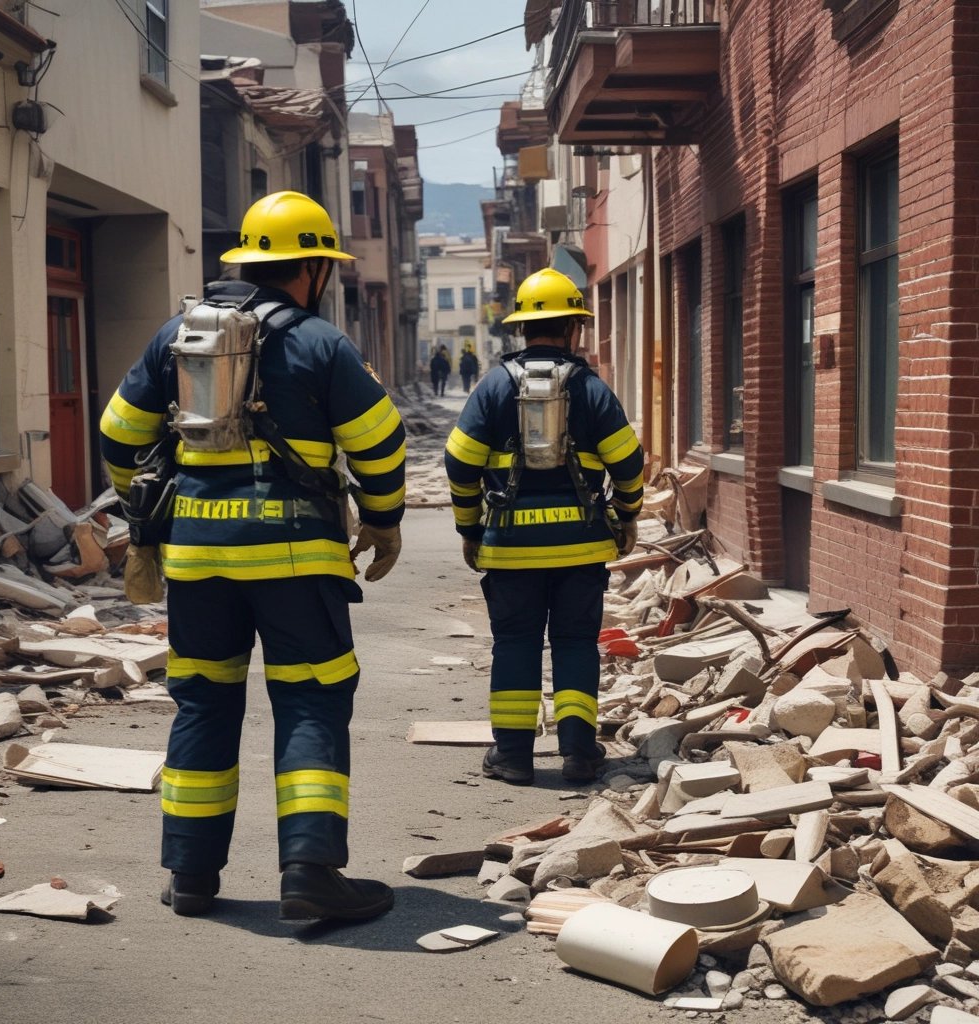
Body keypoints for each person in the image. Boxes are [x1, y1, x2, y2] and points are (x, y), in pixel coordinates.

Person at [99, 191, 406, 921]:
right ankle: (310, 876)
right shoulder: (319, 342)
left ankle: (192, 876)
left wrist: (151, 513)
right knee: (309, 701)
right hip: (296, 561)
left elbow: (118, 436)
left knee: (203, 701)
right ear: (313, 269)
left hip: (197, 563)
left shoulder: (175, 334)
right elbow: (381, 442)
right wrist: (384, 521)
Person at [444, 268, 643, 786]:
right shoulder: (592, 389)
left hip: (509, 550)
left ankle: (512, 757)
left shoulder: (492, 387)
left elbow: (460, 462)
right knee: (576, 642)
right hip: (580, 548)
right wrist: (626, 516)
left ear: (521, 330)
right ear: (573, 328)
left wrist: (470, 527)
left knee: (515, 643)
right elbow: (627, 462)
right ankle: (579, 753)